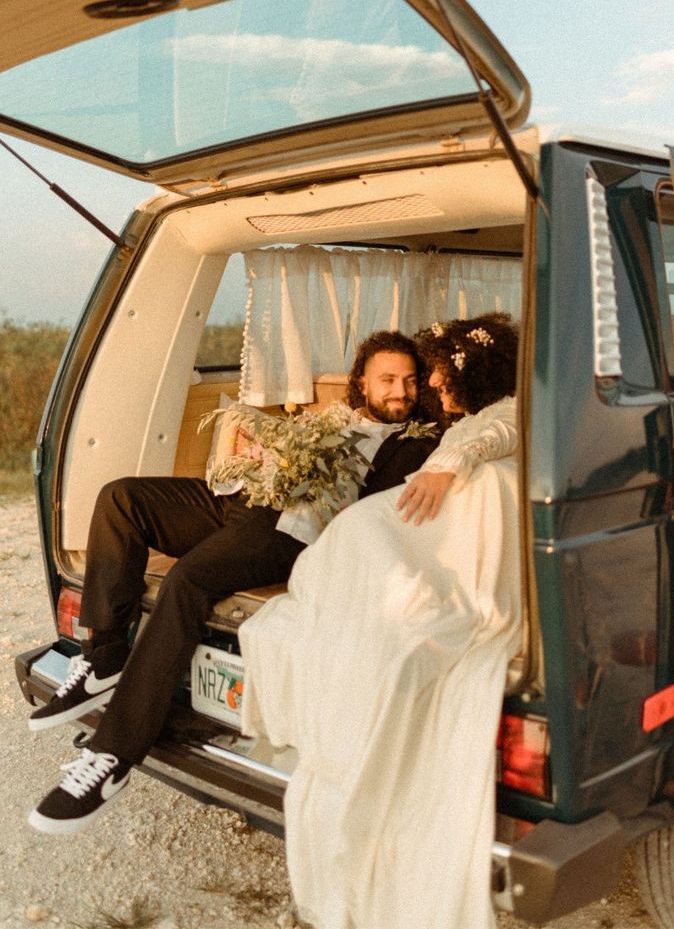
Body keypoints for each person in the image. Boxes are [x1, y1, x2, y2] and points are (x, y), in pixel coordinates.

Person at [28, 330, 440, 835]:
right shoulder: (336, 417)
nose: (401, 391)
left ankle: (111, 756)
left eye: (410, 381)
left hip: (291, 531)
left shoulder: (418, 442)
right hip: (243, 500)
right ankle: (106, 652)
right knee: (121, 499)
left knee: (188, 580)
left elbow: (374, 514)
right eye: (388, 380)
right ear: (362, 382)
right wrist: (273, 454)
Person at [238, 312, 520, 929]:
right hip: (427, 531)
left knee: (357, 547)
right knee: (350, 548)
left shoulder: (503, 416)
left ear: (470, 372)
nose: (432, 387)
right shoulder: (457, 422)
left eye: (438, 375)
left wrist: (452, 462)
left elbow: (499, 435)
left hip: (452, 546)